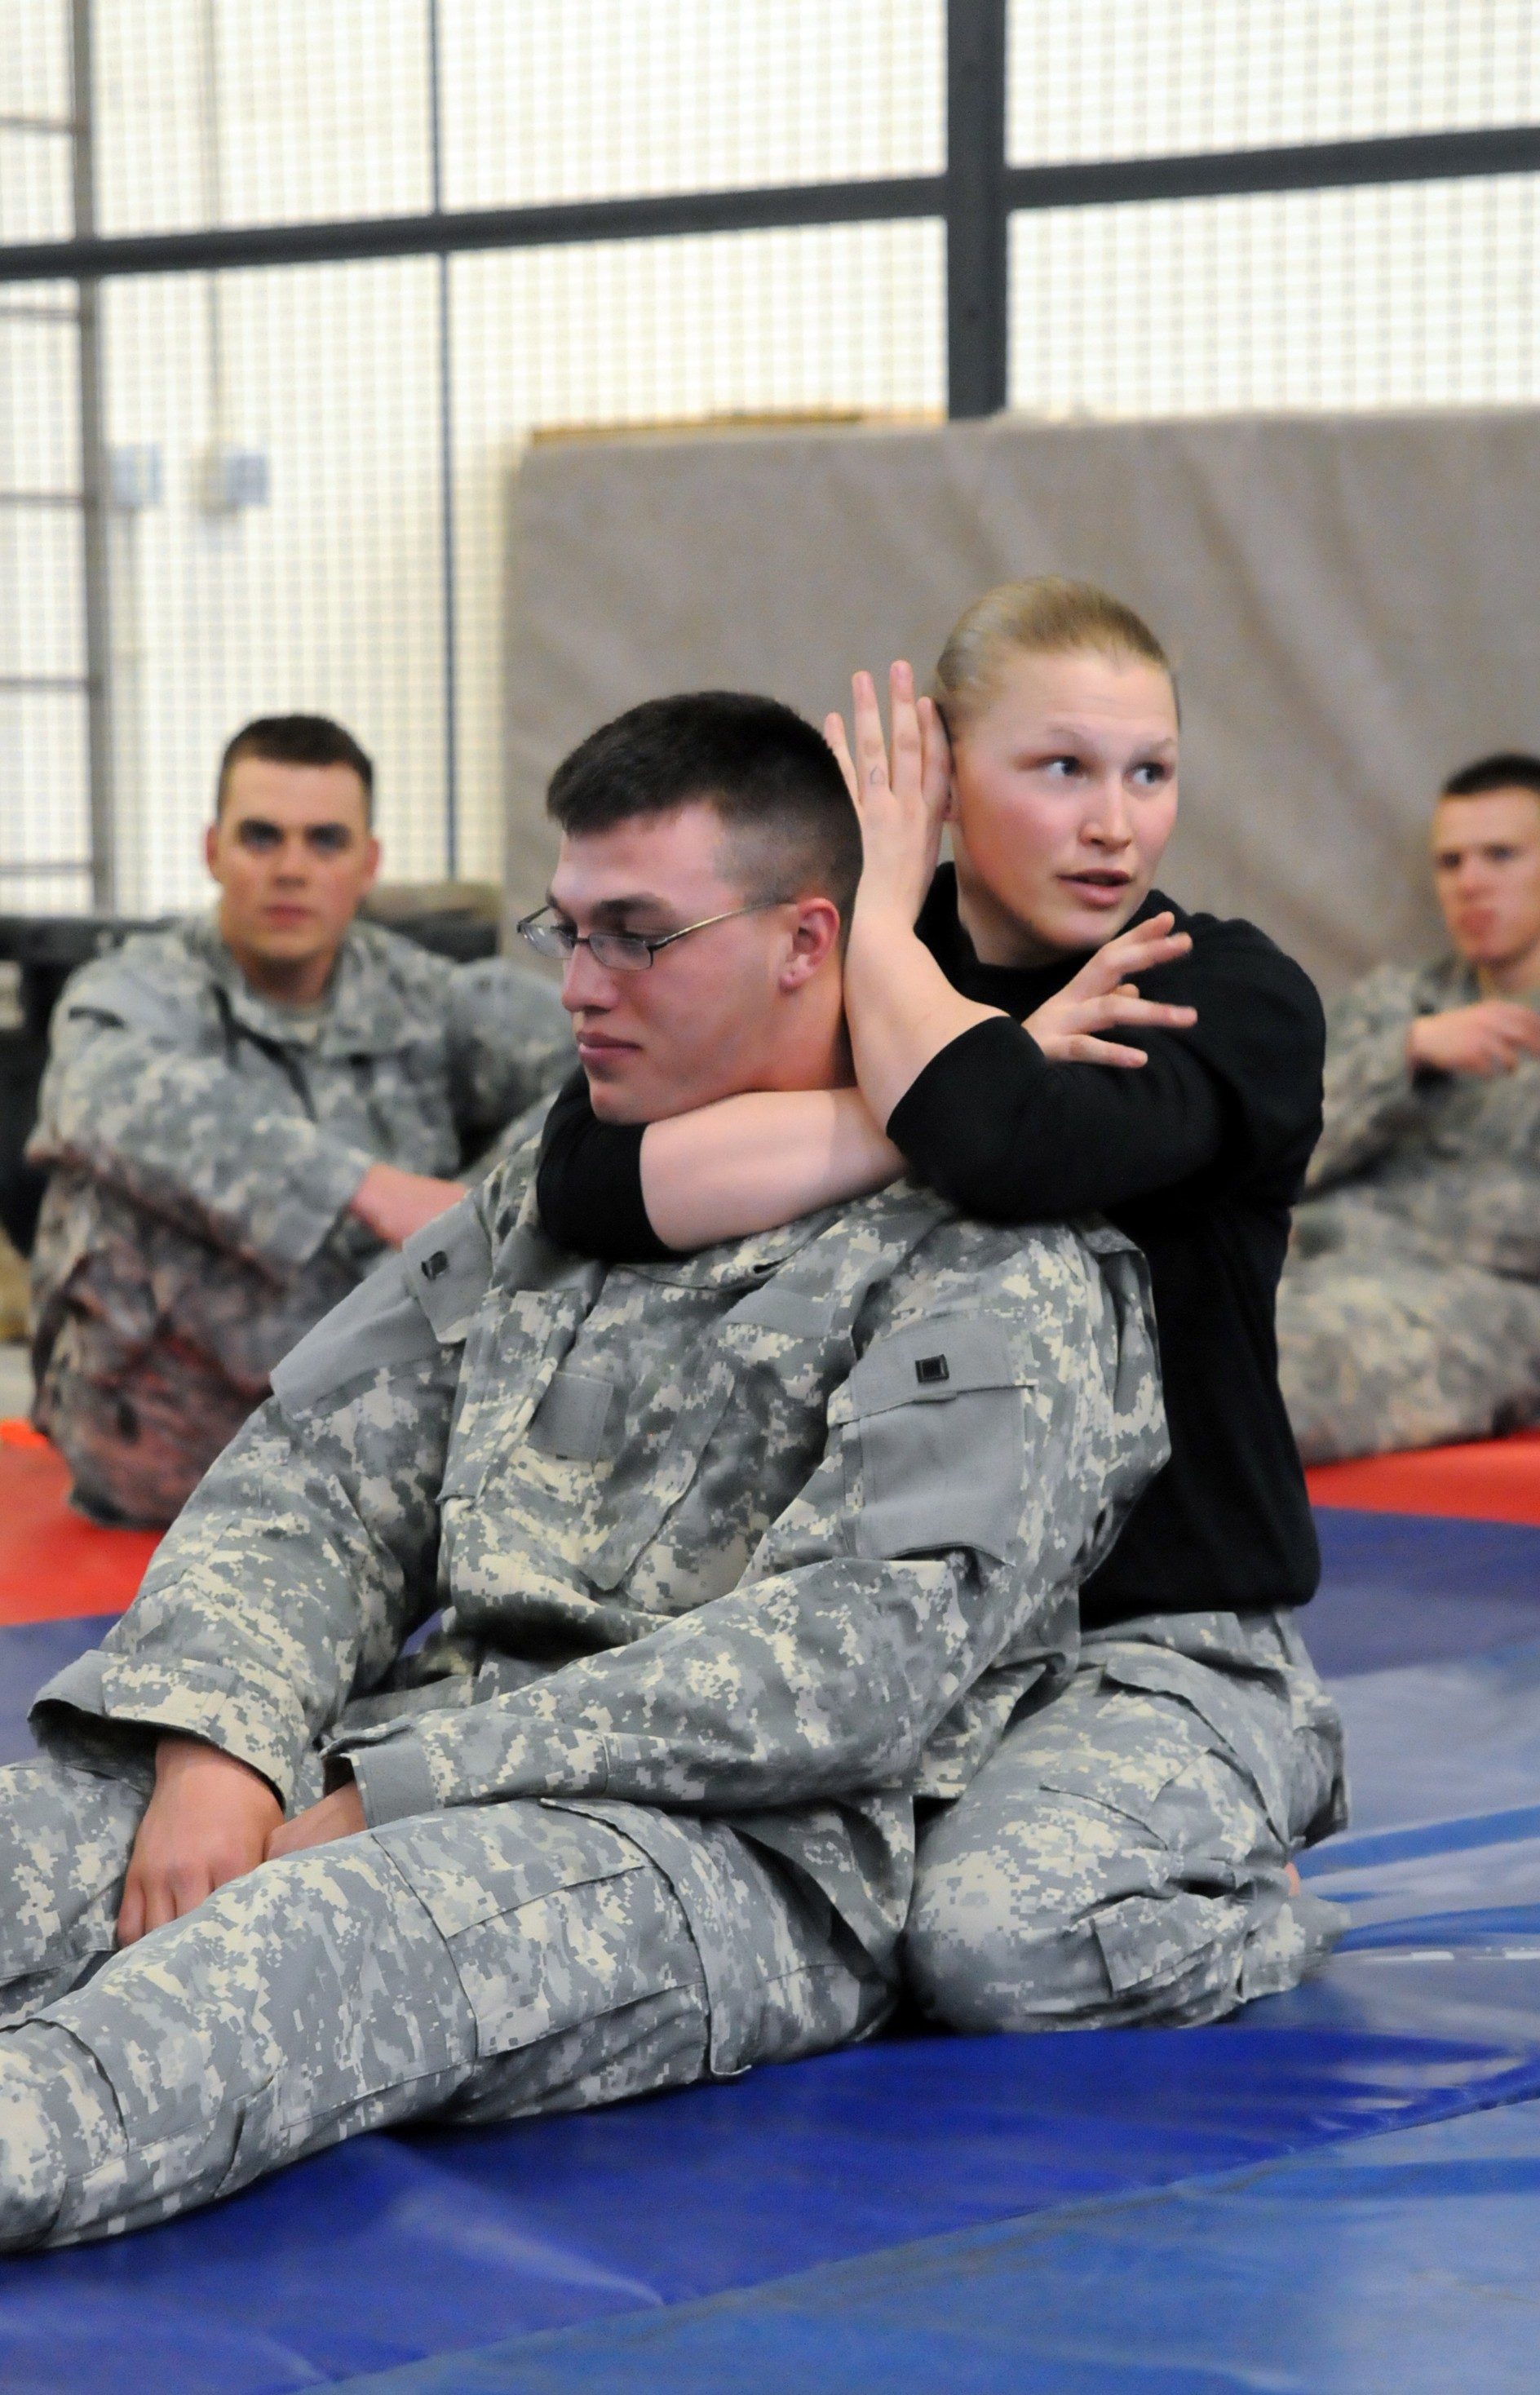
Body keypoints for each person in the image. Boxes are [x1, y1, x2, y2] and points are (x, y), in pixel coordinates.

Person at [0, 689, 1165, 2250]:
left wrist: (392, 1792)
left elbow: (845, 1669)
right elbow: (319, 1476)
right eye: (568, 931)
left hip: (723, 1849)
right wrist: (224, 1740)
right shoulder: (563, 1185)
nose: (578, 989)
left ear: (805, 943)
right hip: (404, 1748)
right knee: (43, 1842)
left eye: (636, 936)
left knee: (294, 1960)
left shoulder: (993, 1250)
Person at [537, 578, 1346, 2032]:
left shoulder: (1216, 990)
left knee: (993, 1945)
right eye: (1059, 769)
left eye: (1147, 772)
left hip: (1156, 1638)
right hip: (902, 1640)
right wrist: (929, 1021)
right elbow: (591, 1172)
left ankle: (1258, 1902)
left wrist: (891, 951)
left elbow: (1010, 1147)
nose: (1114, 823)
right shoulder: (850, 973)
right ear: (940, 770)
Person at [26, 713, 572, 1527]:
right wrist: (370, 1189)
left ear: (368, 863)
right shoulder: (132, 992)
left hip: (383, 1435)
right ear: (212, 850)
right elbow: (105, 1094)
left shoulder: (427, 995)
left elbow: (597, 1063)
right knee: (117, 1158)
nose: (290, 869)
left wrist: (469, 1206)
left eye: (323, 840)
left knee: (595, 1116)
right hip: (170, 1457)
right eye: (260, 837)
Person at [1279, 751, 1540, 1462]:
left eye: (1500, 856)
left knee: (1261, 1371)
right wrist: (1406, 1055)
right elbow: (1270, 1151)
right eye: (1451, 863)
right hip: (1301, 1260)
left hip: (1466, 1301)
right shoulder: (1399, 1004)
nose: (1471, 883)